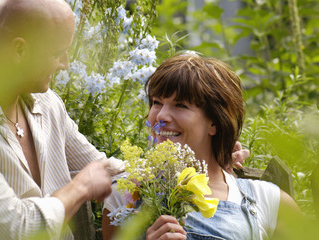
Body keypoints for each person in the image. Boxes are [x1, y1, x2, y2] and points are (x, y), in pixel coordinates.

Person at [0, 0, 123, 239]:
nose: (65, 64)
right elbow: (15, 230)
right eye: (57, 53)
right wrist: (80, 188)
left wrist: (178, 176)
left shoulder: (47, 103)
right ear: (20, 50)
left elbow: (105, 169)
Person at [102, 53, 300, 240]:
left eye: (180, 105)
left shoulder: (268, 200)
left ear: (214, 122)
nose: (161, 116)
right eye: (157, 102)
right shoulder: (125, 195)